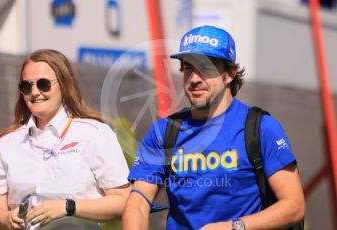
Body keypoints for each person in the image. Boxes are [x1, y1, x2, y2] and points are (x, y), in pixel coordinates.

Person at [122, 25, 305, 230]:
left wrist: (233, 227)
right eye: (188, 67)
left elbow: (294, 206)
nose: (194, 79)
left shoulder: (261, 128)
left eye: (206, 68)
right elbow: (137, 203)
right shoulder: (163, 132)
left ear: (229, 74)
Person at [0, 49, 131, 230]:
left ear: (64, 84)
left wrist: (68, 207)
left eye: (43, 84)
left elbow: (124, 200)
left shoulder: (95, 133)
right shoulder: (7, 143)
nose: (34, 92)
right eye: (26, 86)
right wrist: (6, 218)